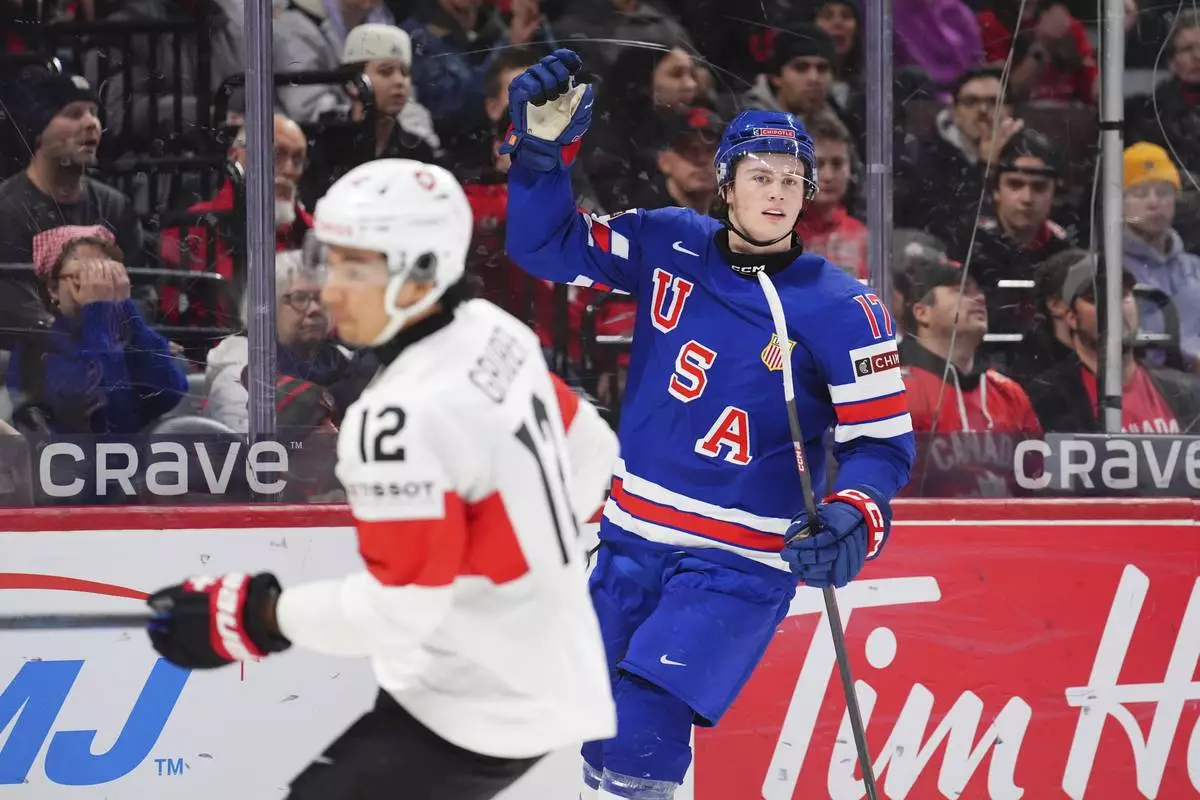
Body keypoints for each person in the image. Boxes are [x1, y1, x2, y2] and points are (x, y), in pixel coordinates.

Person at [503, 49, 915, 800]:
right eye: (760, 176)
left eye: (793, 180)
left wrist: (855, 516)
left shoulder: (844, 309)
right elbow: (540, 245)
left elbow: (882, 444)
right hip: (632, 535)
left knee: (642, 731)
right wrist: (541, 156)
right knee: (599, 737)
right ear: (725, 185)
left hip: (740, 558)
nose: (778, 193)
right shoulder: (668, 240)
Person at [143, 158, 617, 800]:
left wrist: (257, 614)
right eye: (330, 261)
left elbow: (400, 609)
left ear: (420, 275)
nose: (331, 290)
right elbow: (591, 450)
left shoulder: (396, 418)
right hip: (538, 669)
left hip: (482, 702)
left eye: (354, 269)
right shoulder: (494, 330)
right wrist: (508, 578)